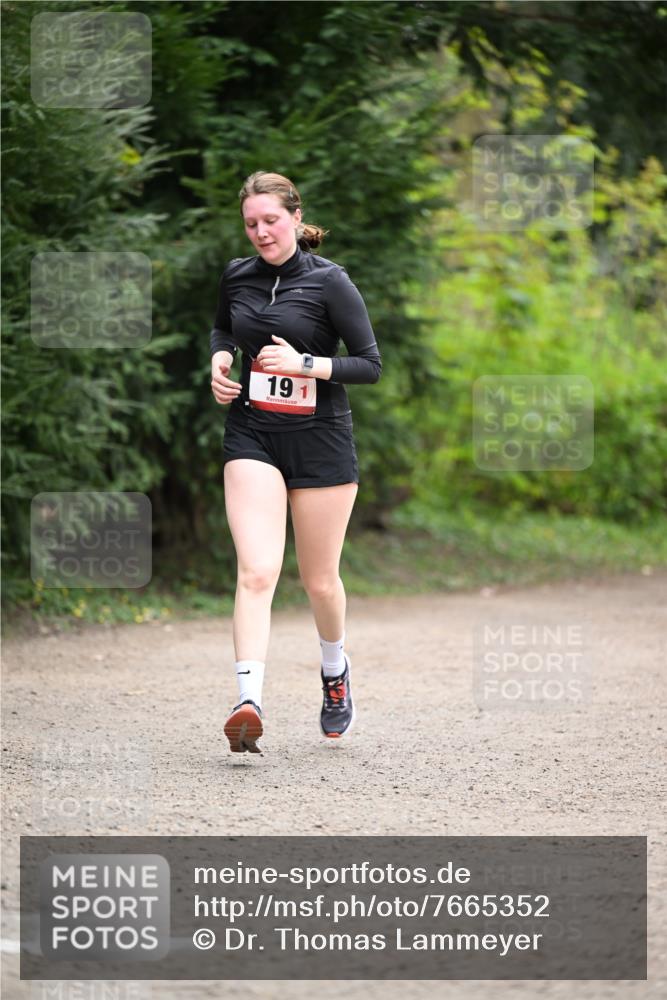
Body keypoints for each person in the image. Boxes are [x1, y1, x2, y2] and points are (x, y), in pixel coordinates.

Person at [210, 171, 381, 753]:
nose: (261, 232)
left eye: (271, 221)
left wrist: (307, 364)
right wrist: (221, 362)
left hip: (320, 442)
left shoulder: (331, 283)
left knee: (319, 581)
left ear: (294, 216)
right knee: (257, 572)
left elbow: (370, 364)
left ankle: (334, 673)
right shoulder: (237, 274)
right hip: (253, 434)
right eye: (251, 224)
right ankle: (247, 701)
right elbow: (222, 328)